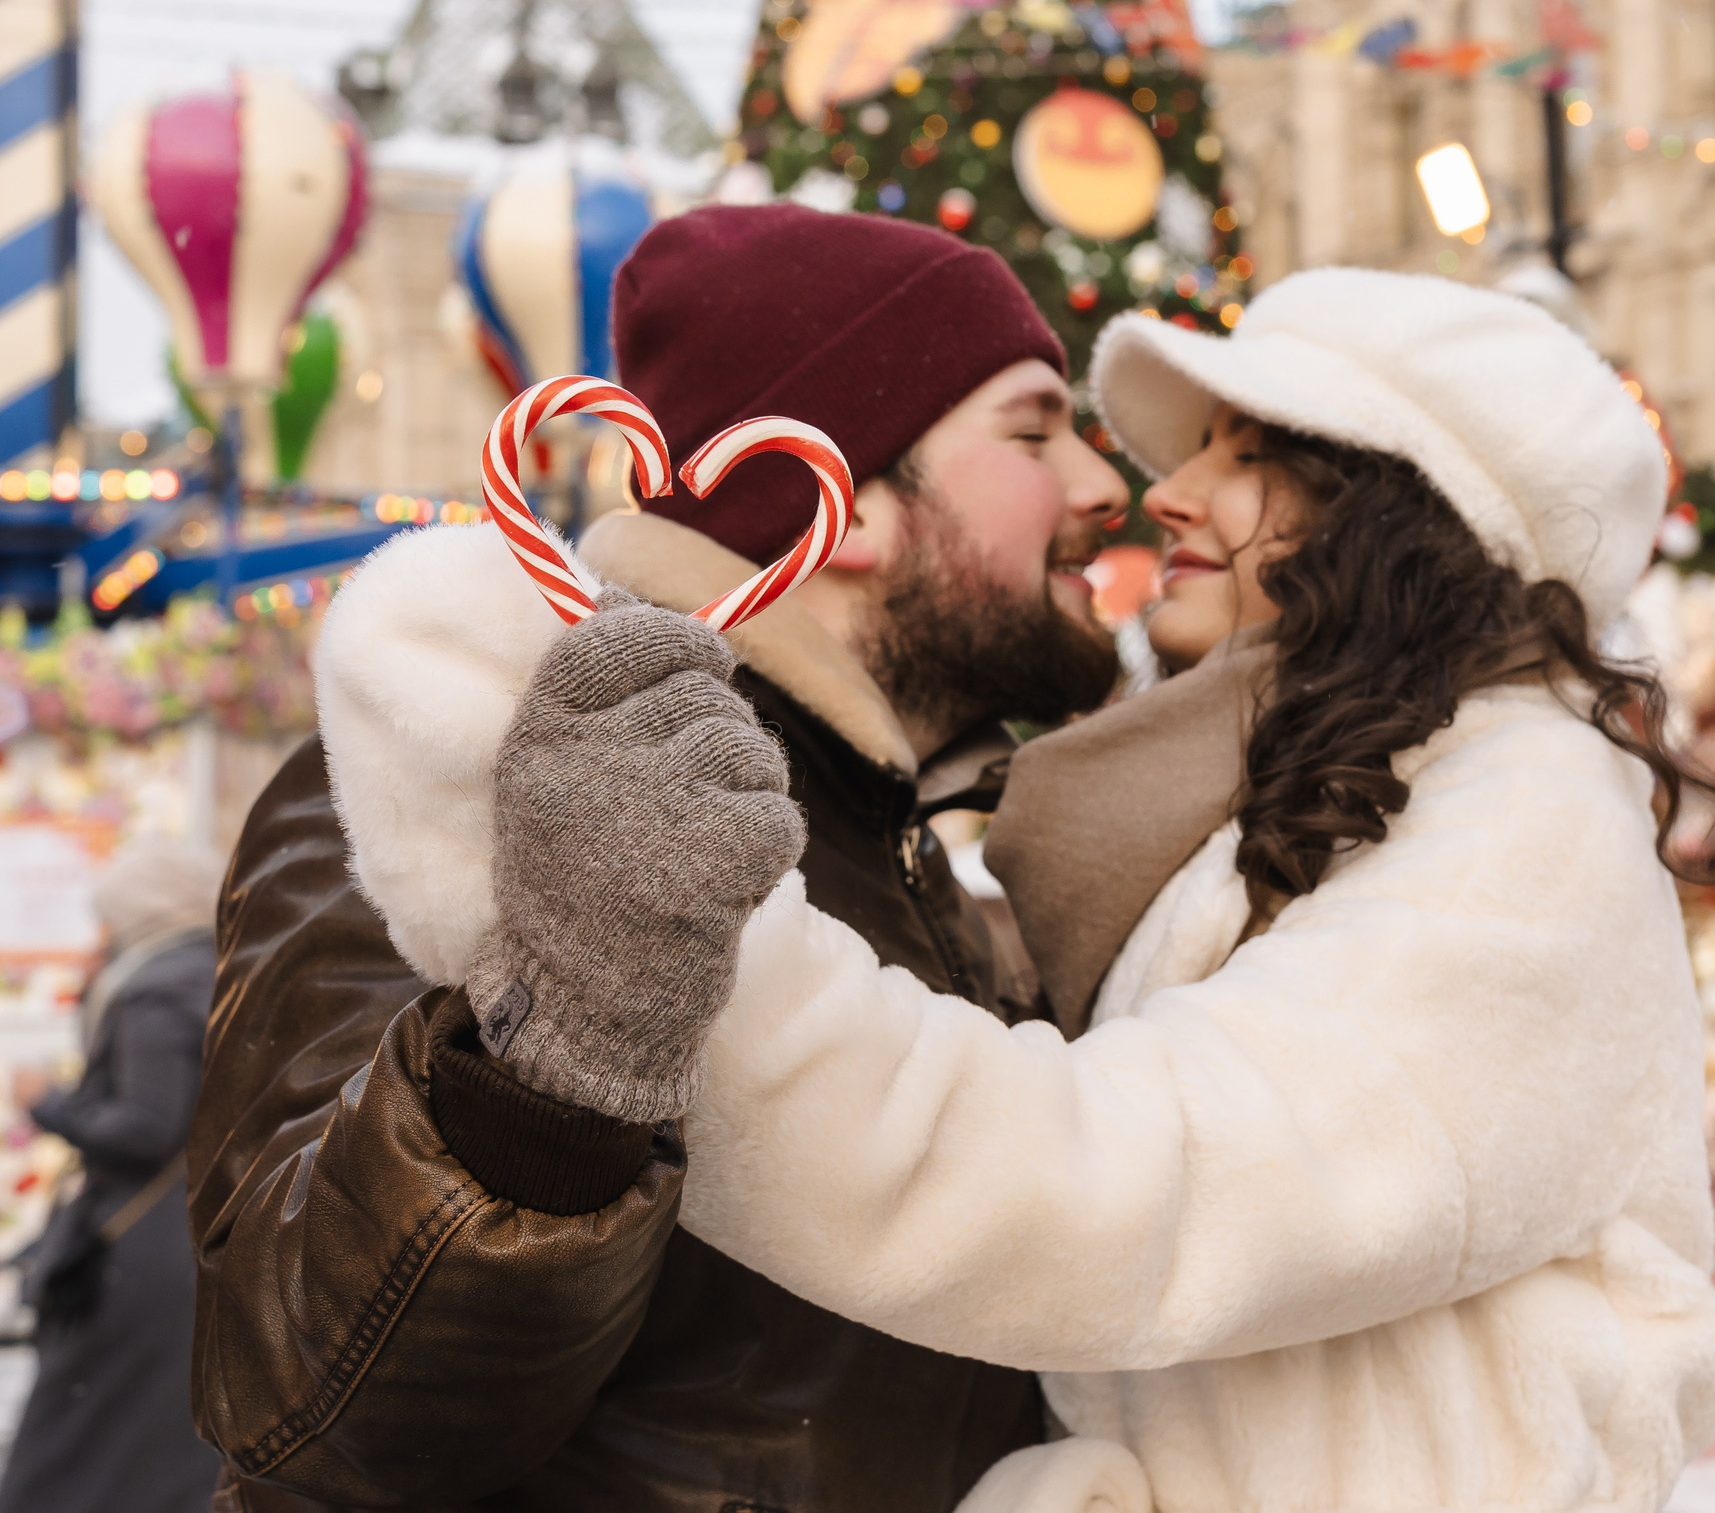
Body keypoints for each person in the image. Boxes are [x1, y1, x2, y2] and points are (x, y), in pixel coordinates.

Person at [320, 269, 1715, 1513]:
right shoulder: (1251, 814)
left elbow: (1135, 1191)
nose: (1161, 489)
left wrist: (653, 952)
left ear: (1401, 514)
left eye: (1251, 454)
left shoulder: (1525, 813)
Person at [187, 206, 1129, 1512]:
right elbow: (298, 1398)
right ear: (836, 504)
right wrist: (549, 1062)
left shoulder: (906, 858)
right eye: (1034, 430)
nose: (1103, 485)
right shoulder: (463, 772)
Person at [5, 836, 226, 1513]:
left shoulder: (153, 987)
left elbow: (146, 1125)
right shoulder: (219, 970)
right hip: (188, 1236)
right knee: (151, 1435)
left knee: (80, 1434)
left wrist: (46, 1100)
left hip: (137, 1251)